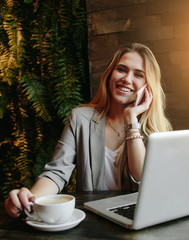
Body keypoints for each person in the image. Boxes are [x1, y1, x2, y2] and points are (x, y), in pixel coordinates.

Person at [5, 43, 172, 218]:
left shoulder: (156, 131)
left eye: (138, 75)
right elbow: (57, 172)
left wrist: (131, 120)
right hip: (93, 219)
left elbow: (143, 178)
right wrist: (30, 199)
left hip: (139, 218)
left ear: (148, 86)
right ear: (110, 75)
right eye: (121, 70)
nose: (127, 79)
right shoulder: (80, 118)